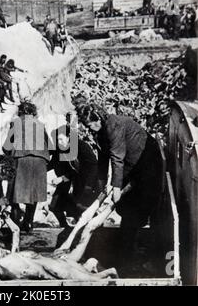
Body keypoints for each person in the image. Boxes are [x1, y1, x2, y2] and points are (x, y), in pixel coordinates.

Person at [78, 105, 162, 275]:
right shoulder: (100, 132)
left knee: (138, 209)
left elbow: (117, 158)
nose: (90, 128)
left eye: (91, 124)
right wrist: (102, 186)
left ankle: (132, 260)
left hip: (147, 163)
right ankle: (125, 252)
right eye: (87, 126)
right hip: (131, 166)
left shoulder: (114, 125)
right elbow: (103, 158)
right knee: (125, 209)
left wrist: (116, 188)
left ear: (98, 118)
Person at [3, 101, 50, 232]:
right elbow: (49, 145)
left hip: (21, 159)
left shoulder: (16, 123)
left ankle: (15, 222)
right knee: (33, 194)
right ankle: (28, 223)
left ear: (20, 112)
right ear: (34, 112)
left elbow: (7, 146)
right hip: (40, 162)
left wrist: (9, 154)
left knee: (14, 193)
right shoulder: (40, 124)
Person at [48, 124, 99, 228]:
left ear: (69, 138)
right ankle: (65, 228)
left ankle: (93, 226)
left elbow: (89, 167)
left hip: (86, 182)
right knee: (55, 206)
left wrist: (88, 186)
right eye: (57, 140)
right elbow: (52, 164)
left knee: (80, 207)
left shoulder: (81, 147)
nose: (59, 142)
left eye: (61, 139)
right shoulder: (60, 149)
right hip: (68, 181)